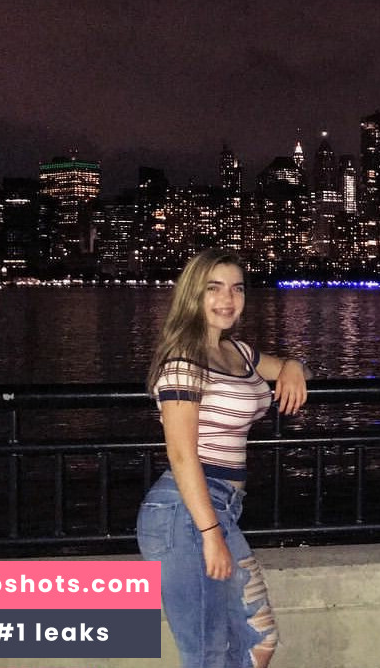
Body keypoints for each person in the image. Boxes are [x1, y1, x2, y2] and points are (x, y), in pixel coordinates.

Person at [136, 248, 308, 668]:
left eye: (236, 288)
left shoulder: (239, 352)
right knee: (208, 650)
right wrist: (210, 532)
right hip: (186, 513)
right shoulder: (183, 362)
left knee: (258, 638)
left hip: (221, 507)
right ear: (192, 295)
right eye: (213, 288)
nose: (227, 299)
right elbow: (181, 454)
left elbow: (288, 369)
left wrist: (293, 365)